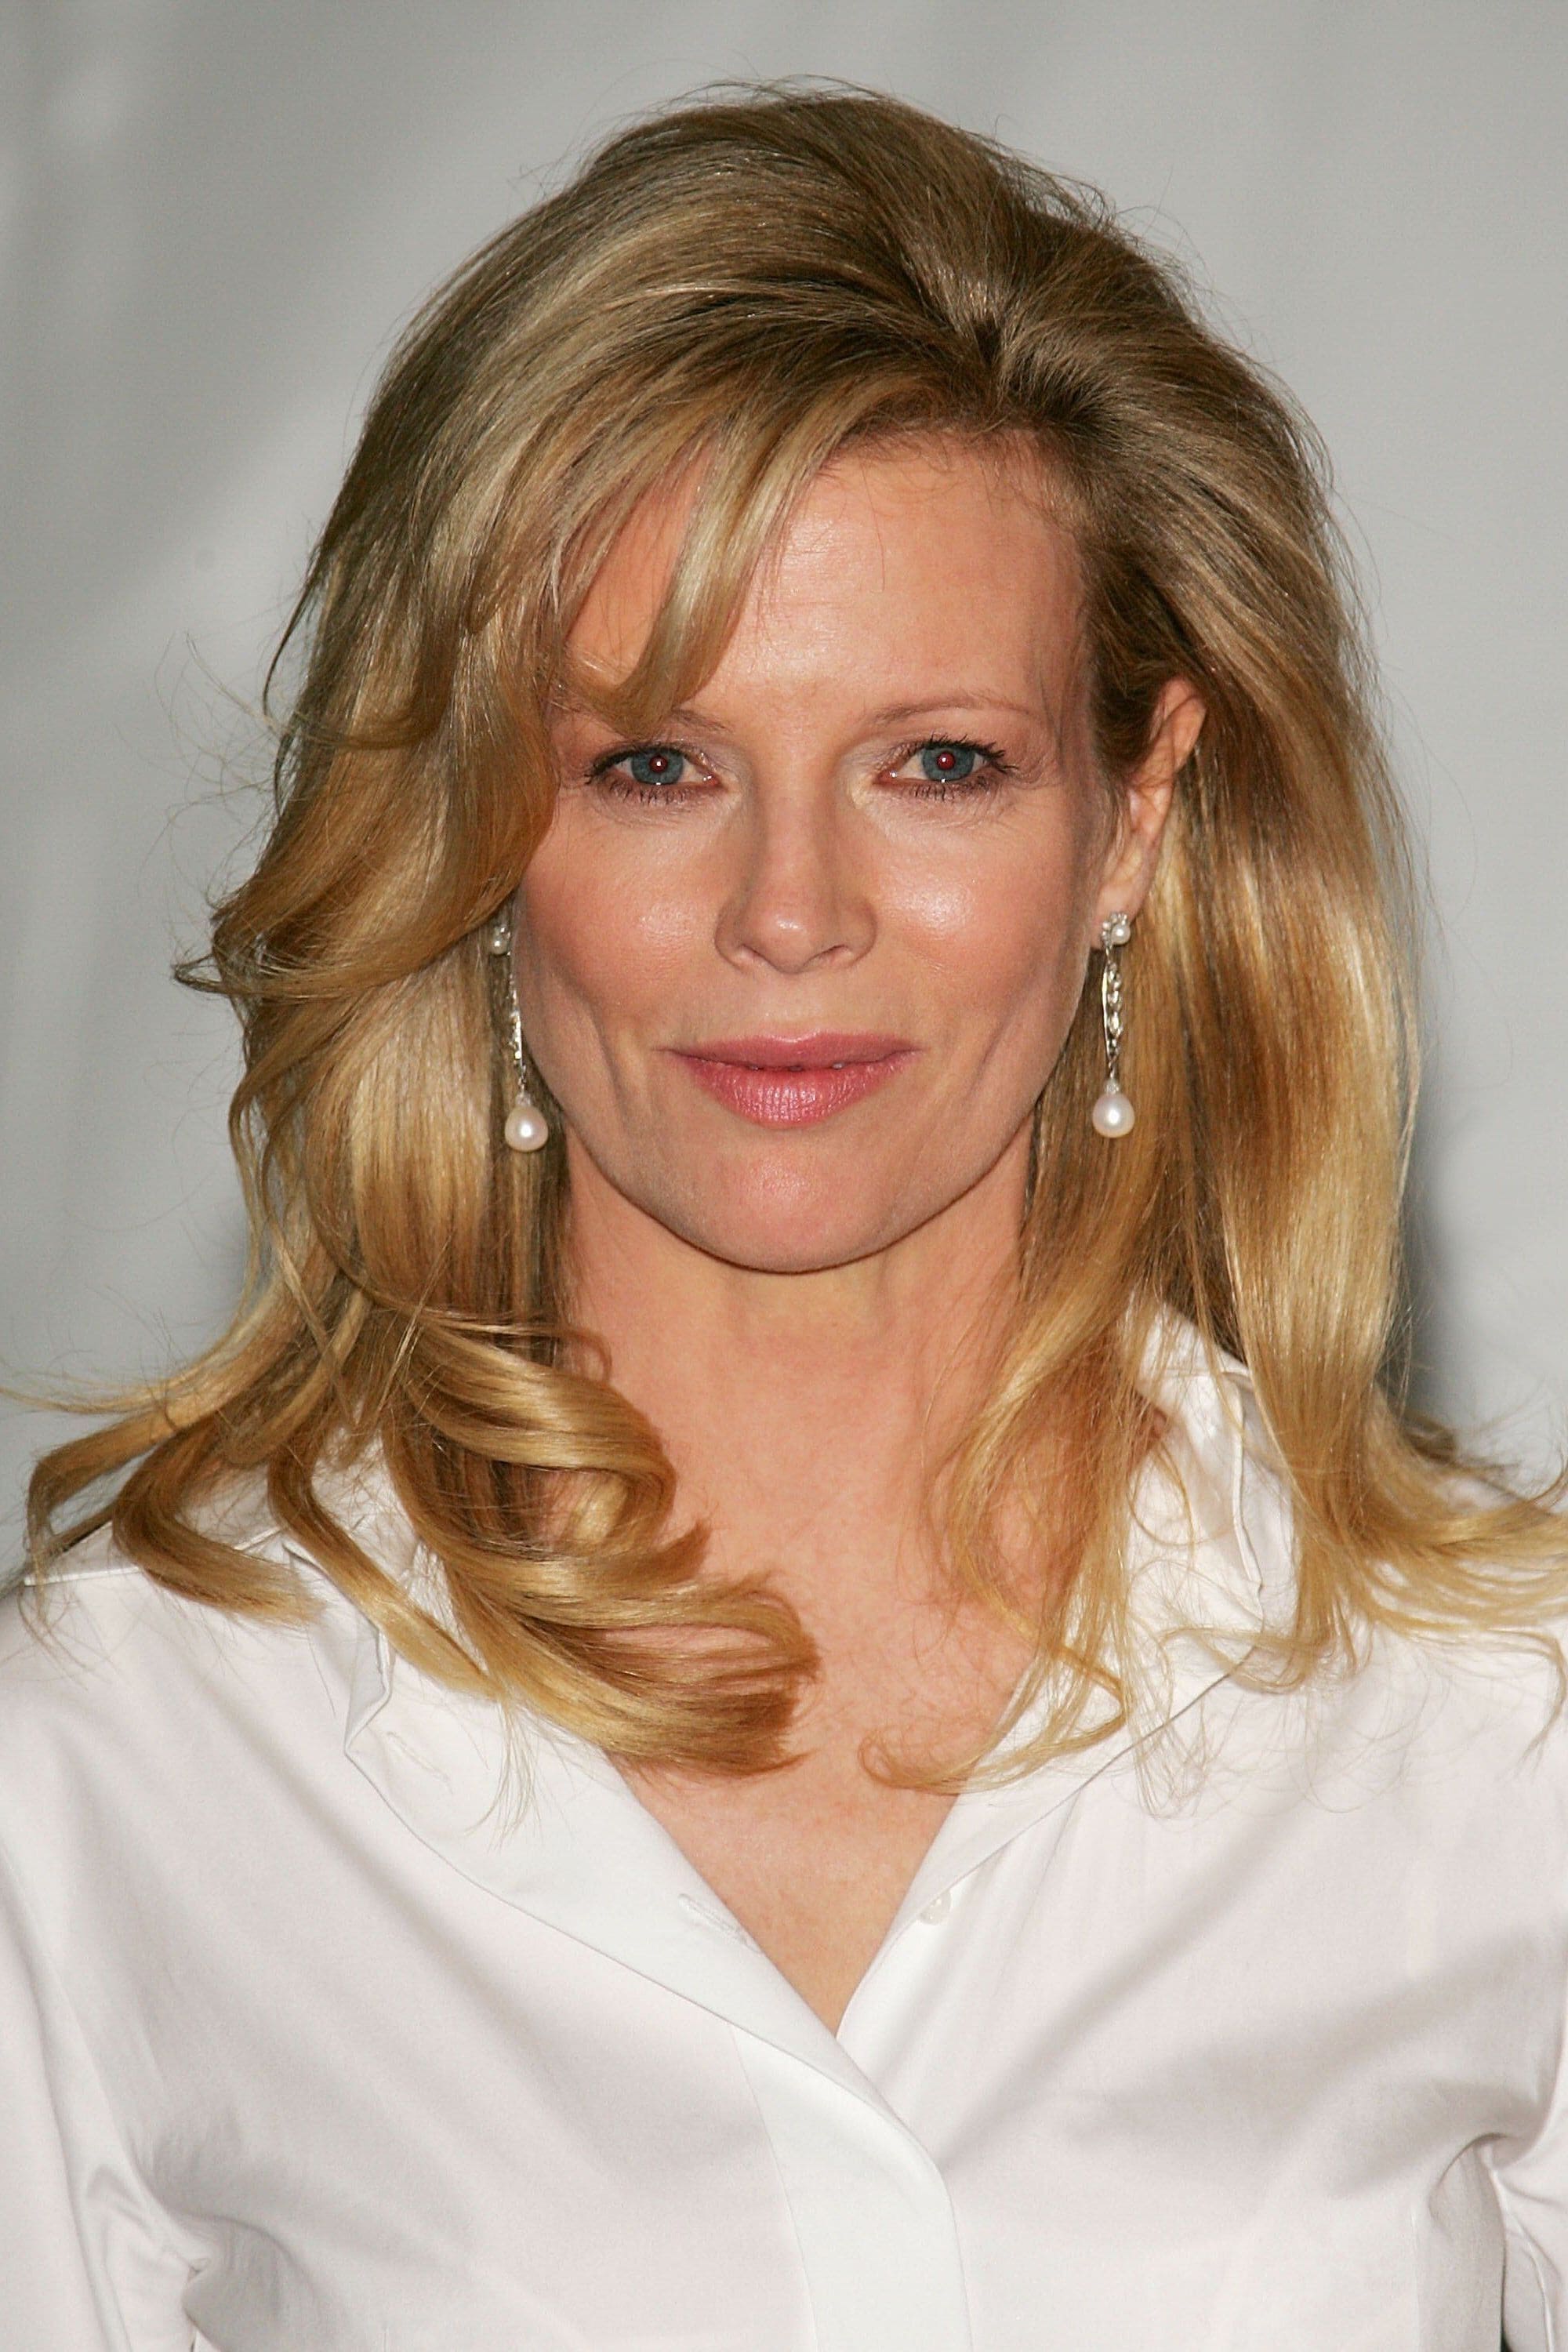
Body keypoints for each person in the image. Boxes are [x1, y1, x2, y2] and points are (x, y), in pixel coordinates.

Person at [4, 81, 1566, 2352]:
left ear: (1132, 821)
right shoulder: (133, 1748)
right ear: (476, 832)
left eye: (941, 764)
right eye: (655, 765)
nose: (791, 910)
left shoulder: (1490, 1723)